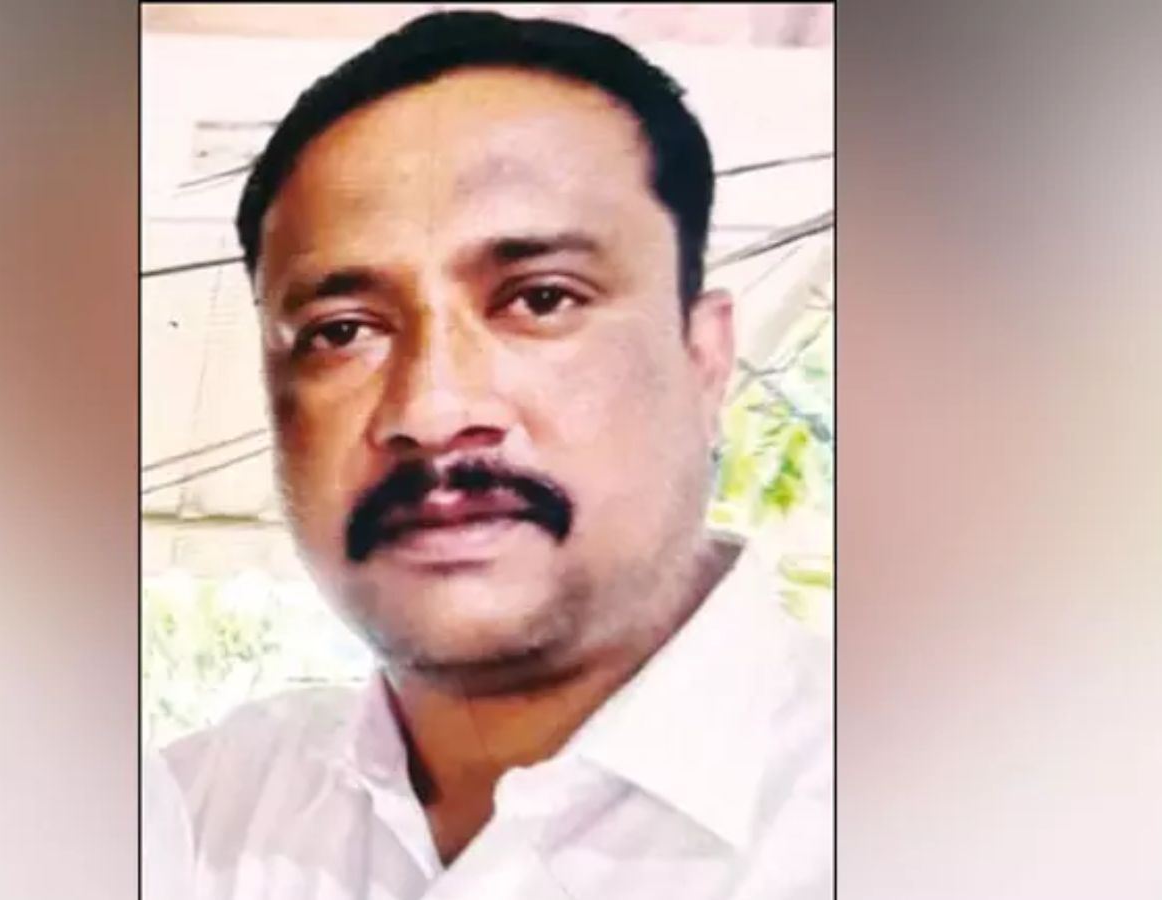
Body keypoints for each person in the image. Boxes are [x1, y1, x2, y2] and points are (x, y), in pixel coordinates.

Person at [161, 11, 831, 899]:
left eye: (541, 299)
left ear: (705, 357)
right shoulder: (194, 820)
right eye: (343, 331)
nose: (431, 411)